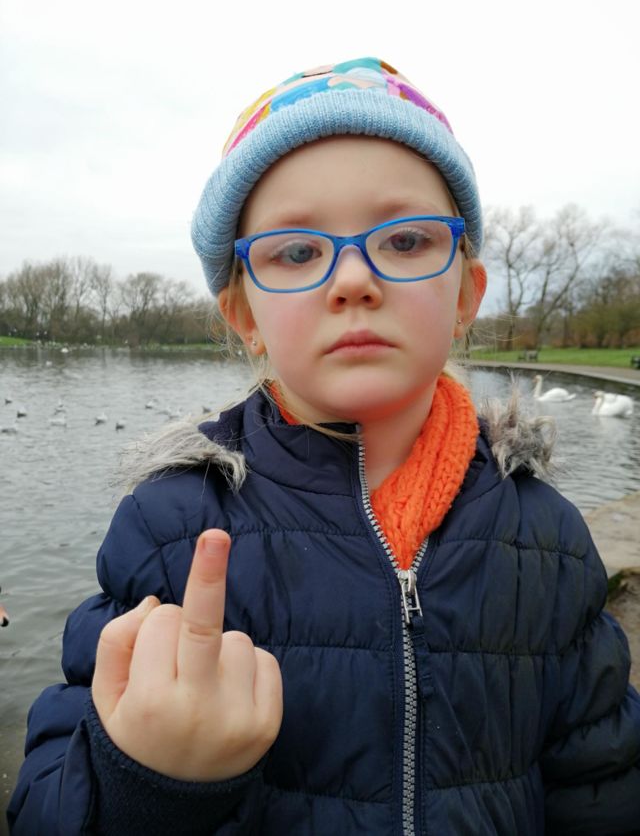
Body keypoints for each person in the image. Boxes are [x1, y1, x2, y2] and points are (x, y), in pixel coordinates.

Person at [8, 57, 640, 835]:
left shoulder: (549, 539)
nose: (353, 279)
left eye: (405, 239)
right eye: (297, 251)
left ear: (467, 294)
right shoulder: (171, 528)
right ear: (245, 315)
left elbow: (602, 785)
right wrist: (144, 780)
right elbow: (45, 799)